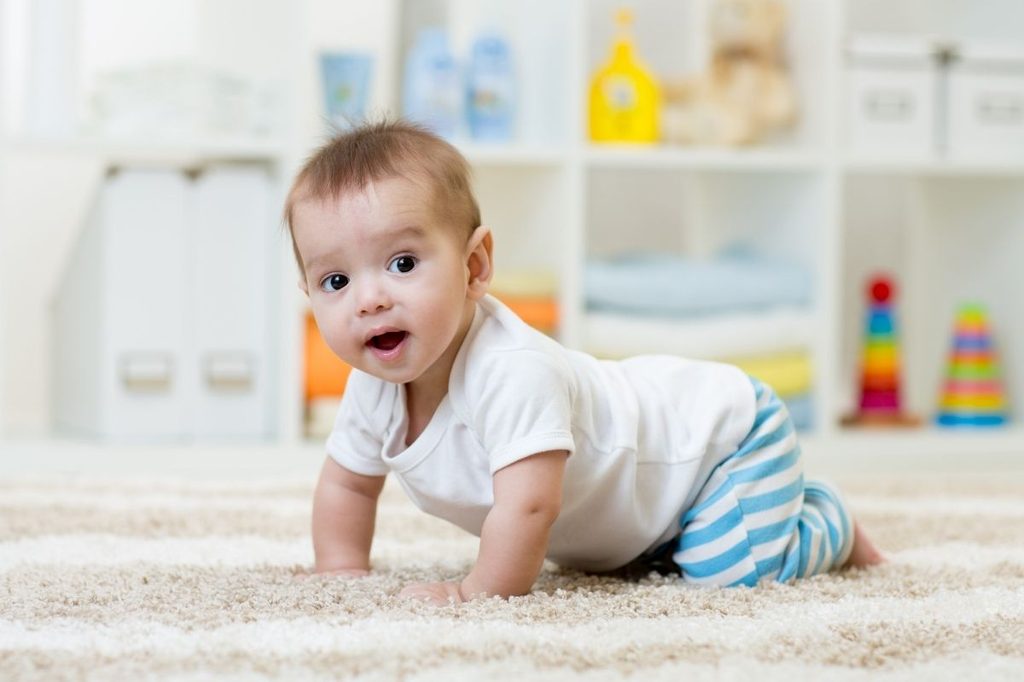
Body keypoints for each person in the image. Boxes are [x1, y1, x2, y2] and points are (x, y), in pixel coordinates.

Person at [285, 119, 884, 605]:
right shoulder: (373, 387)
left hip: (720, 443)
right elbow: (348, 485)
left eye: (403, 263)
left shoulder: (511, 371)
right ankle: (677, 535)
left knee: (725, 572)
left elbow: (531, 505)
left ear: (474, 267)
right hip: (644, 510)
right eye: (335, 279)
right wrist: (339, 568)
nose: (369, 299)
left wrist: (477, 593)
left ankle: (824, 520)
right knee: (632, 561)